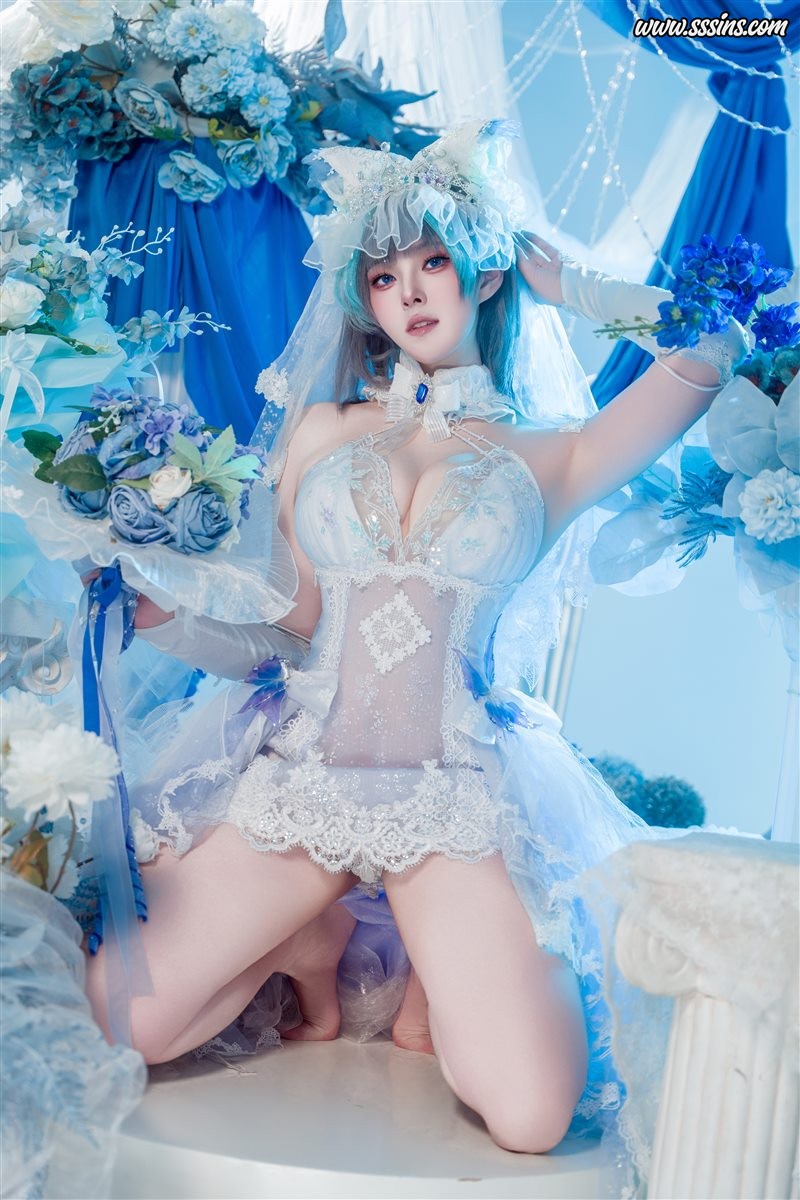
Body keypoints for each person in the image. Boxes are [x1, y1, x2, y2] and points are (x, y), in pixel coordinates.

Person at [86, 122, 749, 1157]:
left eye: (433, 261)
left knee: (529, 1117)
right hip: (300, 781)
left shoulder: (556, 454)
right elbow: (293, 626)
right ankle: (307, 937)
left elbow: (713, 345)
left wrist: (560, 280)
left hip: (451, 796)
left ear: (481, 273)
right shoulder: (322, 432)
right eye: (383, 275)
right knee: (121, 1023)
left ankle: (430, 979)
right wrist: (164, 617)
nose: (408, 292)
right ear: (364, 299)